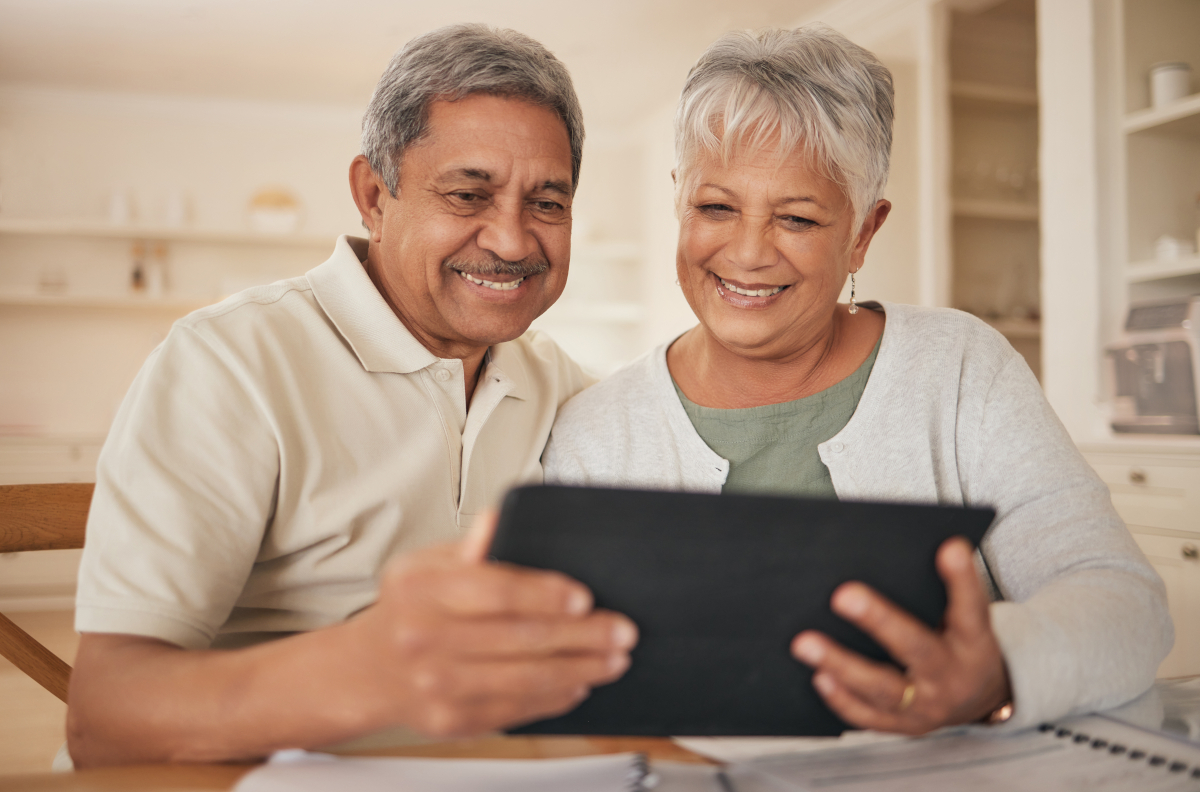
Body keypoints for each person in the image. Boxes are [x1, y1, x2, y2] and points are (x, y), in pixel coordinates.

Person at [544, 24, 1172, 734]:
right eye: (716, 206)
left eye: (797, 217)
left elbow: (1126, 604)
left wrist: (996, 668)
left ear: (863, 234)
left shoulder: (961, 367)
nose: (747, 253)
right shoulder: (595, 430)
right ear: (680, 199)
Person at [66, 24, 638, 768]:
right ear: (374, 195)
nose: (510, 240)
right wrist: (368, 671)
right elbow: (107, 721)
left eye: (547, 203)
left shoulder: (560, 382)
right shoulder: (231, 361)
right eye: (469, 194)